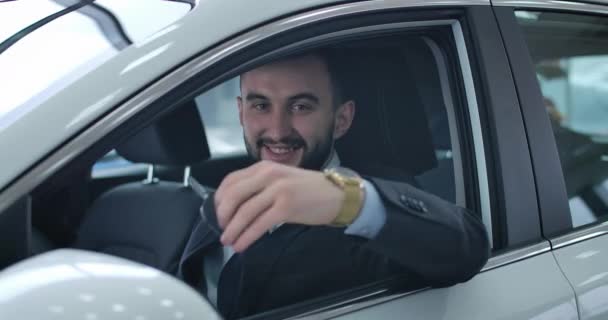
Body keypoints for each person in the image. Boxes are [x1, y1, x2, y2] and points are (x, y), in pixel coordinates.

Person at [178, 50, 490, 319]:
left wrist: (346, 200)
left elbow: (466, 248)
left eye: (301, 106)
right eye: (260, 105)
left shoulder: (368, 210)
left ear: (341, 119)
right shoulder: (220, 194)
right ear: (241, 112)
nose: (277, 130)